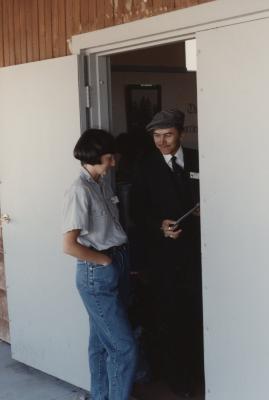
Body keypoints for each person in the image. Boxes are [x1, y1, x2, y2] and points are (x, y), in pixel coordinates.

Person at [130, 109, 203, 396]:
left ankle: (200, 369)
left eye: (168, 135)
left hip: (199, 253)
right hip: (163, 257)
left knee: (198, 313)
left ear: (181, 134)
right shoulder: (145, 165)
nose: (161, 142)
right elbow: (136, 210)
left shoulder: (199, 158)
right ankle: (179, 381)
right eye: (156, 136)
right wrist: (158, 225)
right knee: (170, 318)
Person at [62, 129, 137, 400]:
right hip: (98, 272)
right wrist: (105, 260)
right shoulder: (79, 190)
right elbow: (69, 245)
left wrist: (117, 259)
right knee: (124, 348)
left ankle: (100, 396)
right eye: (109, 158)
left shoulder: (101, 182)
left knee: (101, 344)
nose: (114, 163)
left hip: (116, 261)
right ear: (93, 158)